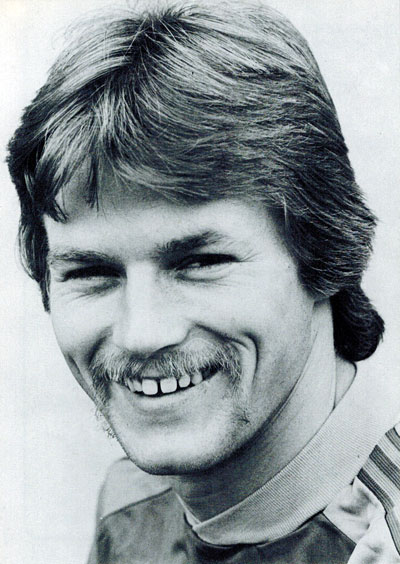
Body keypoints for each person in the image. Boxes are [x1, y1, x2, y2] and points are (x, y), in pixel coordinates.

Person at [6, 1, 400, 562]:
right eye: (92, 272)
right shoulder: (132, 504)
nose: (142, 333)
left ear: (324, 250)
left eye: (200, 262)